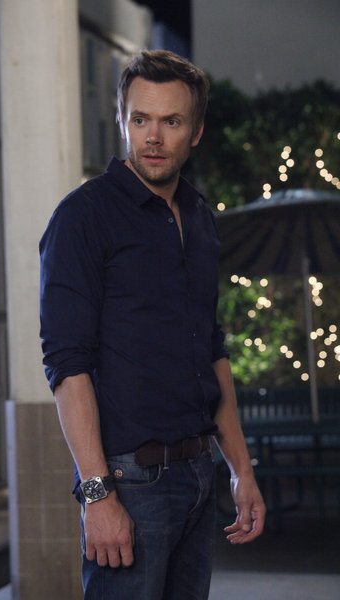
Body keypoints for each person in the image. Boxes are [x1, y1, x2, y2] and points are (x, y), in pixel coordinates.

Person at [40, 49, 265, 600]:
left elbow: (211, 350)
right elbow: (67, 365)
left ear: (197, 131)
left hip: (198, 474)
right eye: (140, 119)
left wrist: (240, 470)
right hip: (128, 481)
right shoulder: (82, 218)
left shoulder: (200, 216)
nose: (154, 137)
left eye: (172, 121)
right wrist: (97, 495)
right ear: (123, 121)